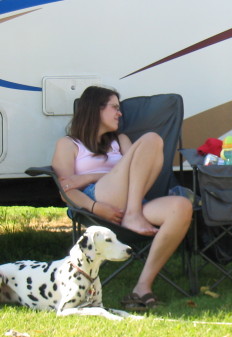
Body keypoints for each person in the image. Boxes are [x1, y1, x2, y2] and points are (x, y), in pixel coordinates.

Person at [52, 86, 192, 310]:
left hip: (130, 202)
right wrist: (95, 206)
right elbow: (66, 189)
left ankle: (142, 287)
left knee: (181, 207)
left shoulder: (121, 140)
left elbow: (138, 169)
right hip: (95, 202)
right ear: (96, 110)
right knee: (152, 139)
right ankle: (133, 214)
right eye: (115, 107)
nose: (120, 113)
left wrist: (89, 175)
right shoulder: (69, 145)